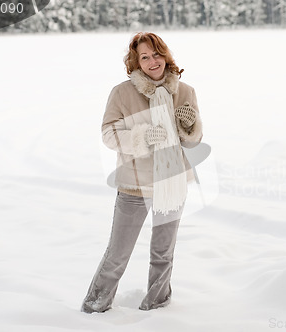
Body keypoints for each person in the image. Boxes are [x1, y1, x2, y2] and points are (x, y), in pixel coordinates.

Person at [81, 32, 202, 313]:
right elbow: (108, 134)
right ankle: (95, 307)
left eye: (156, 54)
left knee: (163, 254)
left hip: (172, 184)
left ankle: (158, 306)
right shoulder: (122, 93)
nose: (152, 61)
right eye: (144, 57)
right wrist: (143, 136)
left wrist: (189, 126)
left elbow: (193, 140)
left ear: (166, 56)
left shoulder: (185, 92)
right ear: (136, 62)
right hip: (134, 186)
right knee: (118, 254)